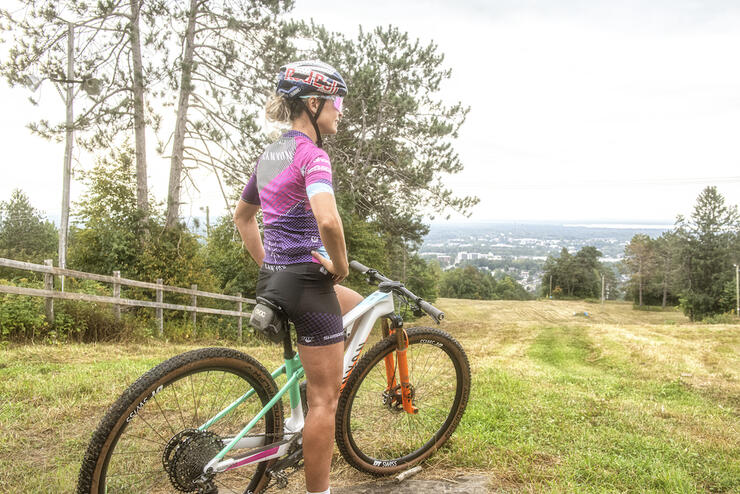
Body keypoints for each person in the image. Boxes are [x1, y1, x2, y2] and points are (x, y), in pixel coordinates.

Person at [233, 60, 363, 494]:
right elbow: (328, 221)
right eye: (336, 102)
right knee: (325, 400)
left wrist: (272, 267)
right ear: (314, 103)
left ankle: (312, 374)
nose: (340, 110)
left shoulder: (271, 155)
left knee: (358, 307)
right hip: (308, 284)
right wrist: (339, 266)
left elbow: (243, 217)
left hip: (276, 279)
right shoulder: (312, 154)